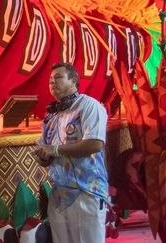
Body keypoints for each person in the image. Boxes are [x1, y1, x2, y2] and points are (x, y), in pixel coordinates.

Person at [34, 62, 108, 243]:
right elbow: (47, 154)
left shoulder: (89, 106)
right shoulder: (51, 116)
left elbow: (95, 144)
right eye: (50, 80)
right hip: (59, 195)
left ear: (74, 81)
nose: (52, 82)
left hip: (87, 191)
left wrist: (56, 150)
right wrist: (44, 157)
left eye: (58, 77)